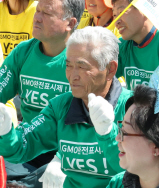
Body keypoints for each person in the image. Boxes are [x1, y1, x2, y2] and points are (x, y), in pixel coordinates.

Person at [0, 26, 129, 188]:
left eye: (82, 66)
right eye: (68, 65)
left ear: (110, 70)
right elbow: (23, 146)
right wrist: (6, 132)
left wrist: (108, 134)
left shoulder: (133, 107)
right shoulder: (61, 106)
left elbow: (138, 170)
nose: (72, 75)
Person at [91, 69, 159, 188]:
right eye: (121, 128)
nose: (118, 138)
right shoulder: (118, 183)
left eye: (125, 132)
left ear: (158, 145)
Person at [0, 0, 83, 126]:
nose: (37, 18)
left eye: (47, 13)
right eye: (37, 10)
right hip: (27, 142)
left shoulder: (85, 59)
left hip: (65, 145)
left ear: (70, 23)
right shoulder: (23, 51)